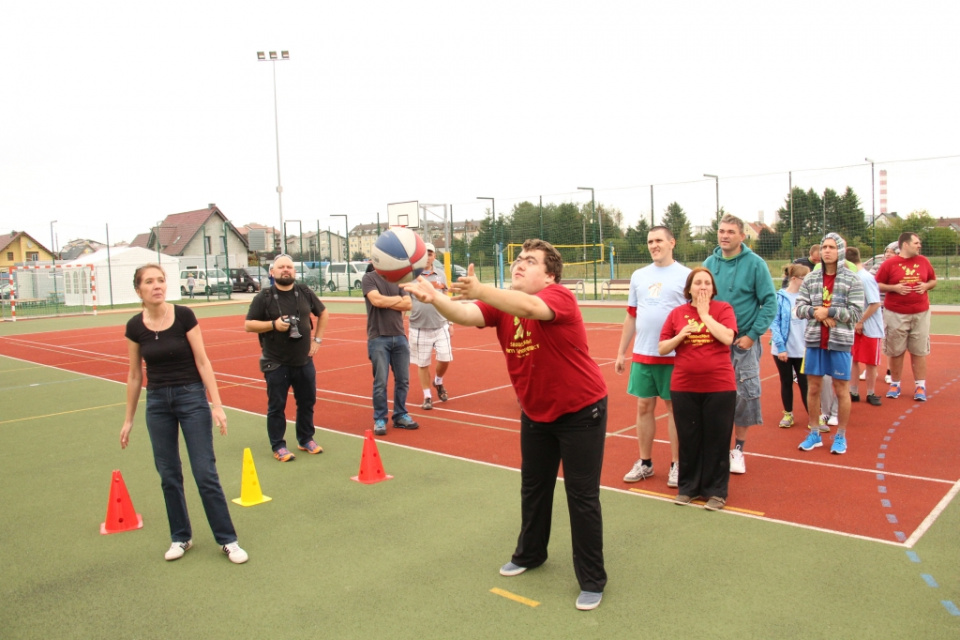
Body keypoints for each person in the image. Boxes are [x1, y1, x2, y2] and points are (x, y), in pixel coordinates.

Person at [402, 239, 608, 611]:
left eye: (530, 261)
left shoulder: (559, 298)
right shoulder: (502, 306)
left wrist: (481, 289)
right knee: (534, 487)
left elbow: (531, 306)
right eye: (518, 260)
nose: (519, 265)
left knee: (582, 497)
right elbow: (464, 314)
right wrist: (434, 298)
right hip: (536, 412)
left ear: (550, 275)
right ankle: (531, 554)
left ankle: (592, 579)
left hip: (581, 411)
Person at [120, 263, 248, 564]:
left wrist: (217, 405)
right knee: (168, 474)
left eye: (161, 280)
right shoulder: (134, 327)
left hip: (191, 398)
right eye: (149, 282)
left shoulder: (184, 316)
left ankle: (228, 540)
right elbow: (135, 375)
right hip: (157, 403)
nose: (157, 286)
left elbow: (203, 362)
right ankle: (181, 536)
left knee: (204, 472)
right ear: (138, 289)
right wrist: (128, 419)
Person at [614, 226, 689, 488]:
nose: (653, 245)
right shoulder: (639, 275)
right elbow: (632, 314)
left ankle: (677, 465)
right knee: (644, 407)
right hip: (643, 354)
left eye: (658, 240)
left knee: (673, 409)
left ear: (672, 242)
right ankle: (645, 462)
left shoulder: (686, 275)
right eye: (650, 241)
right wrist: (622, 351)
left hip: (674, 355)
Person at [658, 267, 737, 511]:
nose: (702, 286)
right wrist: (680, 335)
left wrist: (705, 315)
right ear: (689, 288)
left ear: (713, 289)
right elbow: (662, 348)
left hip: (719, 386)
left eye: (707, 283)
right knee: (689, 438)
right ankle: (688, 488)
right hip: (684, 386)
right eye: (697, 283)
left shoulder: (723, 309)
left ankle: (716, 492)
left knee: (717, 438)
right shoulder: (677, 313)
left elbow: (727, 338)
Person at [703, 214, 776, 474]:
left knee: (743, 396)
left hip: (742, 341)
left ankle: (739, 449)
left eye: (731, 232)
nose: (725, 235)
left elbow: (770, 302)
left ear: (742, 236)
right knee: (713, 397)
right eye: (721, 231)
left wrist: (753, 335)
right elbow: (701, 298)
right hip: (713, 342)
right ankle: (716, 447)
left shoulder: (756, 264)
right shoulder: (709, 263)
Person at [244, 254, 329, 462]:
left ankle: (305, 438)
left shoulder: (305, 292)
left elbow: (323, 313)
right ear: (272, 272)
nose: (285, 270)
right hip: (276, 362)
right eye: (281, 267)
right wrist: (273, 325)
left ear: (294, 271)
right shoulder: (264, 297)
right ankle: (278, 445)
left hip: (304, 361)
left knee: (307, 402)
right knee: (277, 406)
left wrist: (317, 339)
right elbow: (249, 325)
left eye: (289, 267)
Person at [795, 233, 864, 455]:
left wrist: (831, 311)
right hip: (814, 341)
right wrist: (818, 312)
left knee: (841, 389)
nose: (826, 251)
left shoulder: (852, 280)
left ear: (840, 251)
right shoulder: (811, 278)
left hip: (840, 342)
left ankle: (841, 436)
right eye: (824, 246)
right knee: (813, 387)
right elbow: (799, 308)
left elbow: (856, 312)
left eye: (832, 247)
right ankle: (814, 432)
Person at [875, 232, 937, 402]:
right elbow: (877, 284)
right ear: (905, 245)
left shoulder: (924, 261)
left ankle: (920, 386)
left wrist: (926, 286)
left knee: (919, 350)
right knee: (896, 351)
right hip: (895, 313)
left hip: (920, 312)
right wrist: (894, 288)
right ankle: (895, 383)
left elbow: (933, 280)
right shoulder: (890, 264)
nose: (919, 245)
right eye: (916, 243)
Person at [363, 262, 419, 435]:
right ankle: (380, 418)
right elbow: (376, 300)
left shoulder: (399, 280)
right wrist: (397, 301)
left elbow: (408, 304)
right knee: (380, 381)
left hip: (400, 336)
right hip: (378, 337)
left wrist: (388, 302)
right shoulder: (369, 278)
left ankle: (400, 414)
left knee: (403, 380)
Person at [408, 243, 453, 410]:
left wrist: (450, 322)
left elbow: (447, 297)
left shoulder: (440, 275)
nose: (427, 256)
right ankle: (427, 395)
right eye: (424, 253)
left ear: (435, 256)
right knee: (423, 363)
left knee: (445, 358)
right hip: (418, 327)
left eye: (430, 253)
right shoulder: (411, 276)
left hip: (441, 325)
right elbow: (406, 300)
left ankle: (438, 381)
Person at [771, 263, 810, 428]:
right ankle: (788, 414)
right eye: (805, 278)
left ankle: (814, 416)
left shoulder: (809, 297)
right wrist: (781, 347)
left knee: (805, 383)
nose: (808, 281)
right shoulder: (779, 297)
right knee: (786, 381)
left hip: (804, 350)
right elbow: (775, 323)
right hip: (783, 350)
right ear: (794, 279)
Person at [847, 246, 884, 406]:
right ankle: (853, 391)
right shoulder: (853, 277)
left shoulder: (865, 278)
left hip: (870, 327)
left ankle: (871, 392)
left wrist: (860, 321)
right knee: (853, 358)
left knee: (870, 362)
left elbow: (875, 303)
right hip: (855, 326)